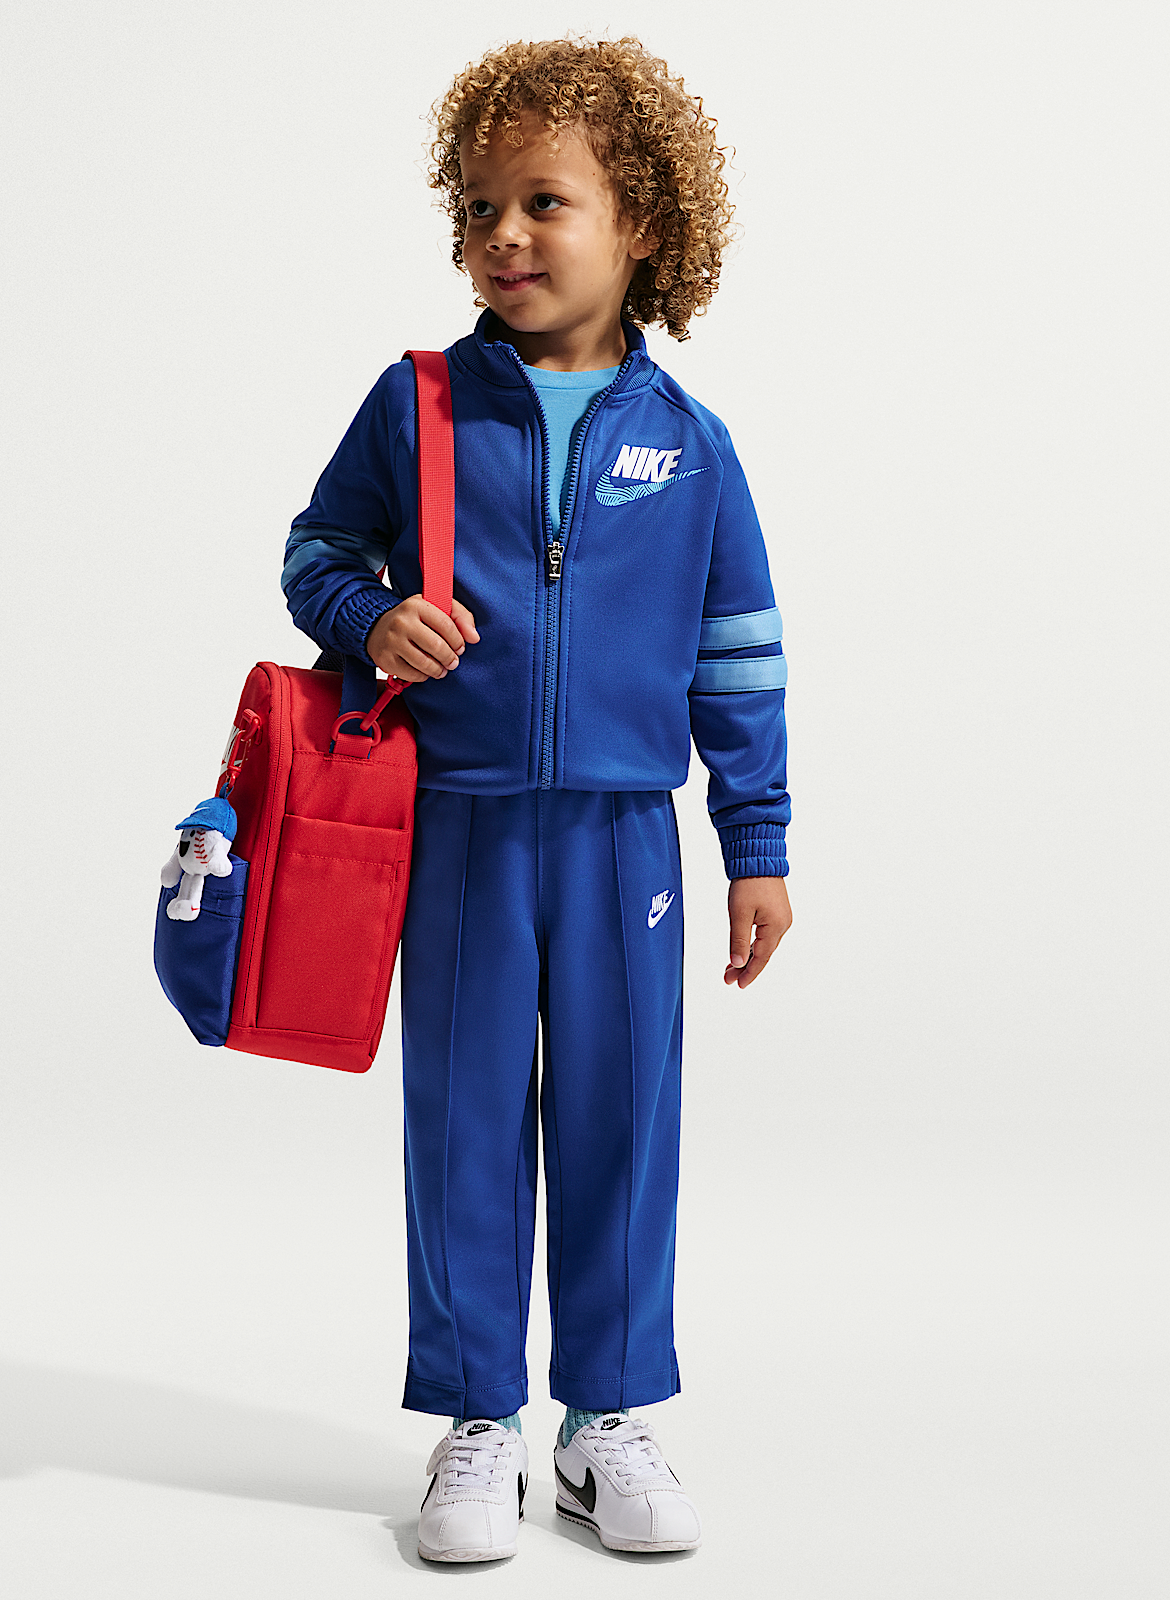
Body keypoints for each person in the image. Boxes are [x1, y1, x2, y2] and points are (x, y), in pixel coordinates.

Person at [282, 35, 793, 1562]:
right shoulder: (418, 407)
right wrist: (371, 620)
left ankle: (606, 1420)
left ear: (642, 225)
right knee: (461, 1125)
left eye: (544, 203)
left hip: (629, 842)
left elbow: (741, 655)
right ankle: (476, 1420)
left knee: (624, 1121)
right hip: (458, 830)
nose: (503, 234)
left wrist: (756, 843)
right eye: (479, 208)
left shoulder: (690, 446)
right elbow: (317, 554)